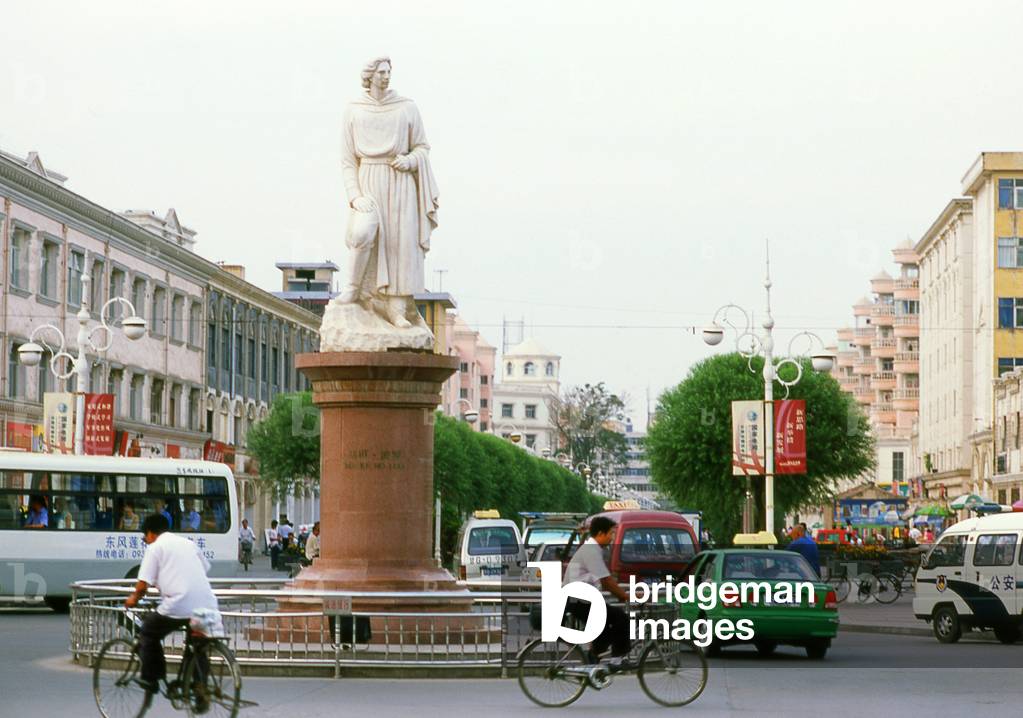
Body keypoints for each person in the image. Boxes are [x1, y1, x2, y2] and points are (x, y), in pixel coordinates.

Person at [125, 514, 218, 702]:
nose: (146, 541)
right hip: (206, 604)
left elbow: (142, 586)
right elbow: (203, 568)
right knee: (198, 644)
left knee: (148, 632)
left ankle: (152, 679)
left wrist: (132, 599)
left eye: (145, 537)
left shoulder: (155, 548)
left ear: (150, 533)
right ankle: (199, 687)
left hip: (178, 604)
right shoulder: (188, 544)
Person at [564, 516, 631, 667]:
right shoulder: (591, 551)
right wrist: (626, 596)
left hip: (580, 599)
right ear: (601, 533)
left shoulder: (592, 549)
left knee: (605, 628)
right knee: (621, 618)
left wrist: (621, 595)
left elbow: (604, 581)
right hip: (578, 601)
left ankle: (593, 659)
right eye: (611, 533)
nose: (612, 538)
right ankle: (616, 660)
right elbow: (606, 581)